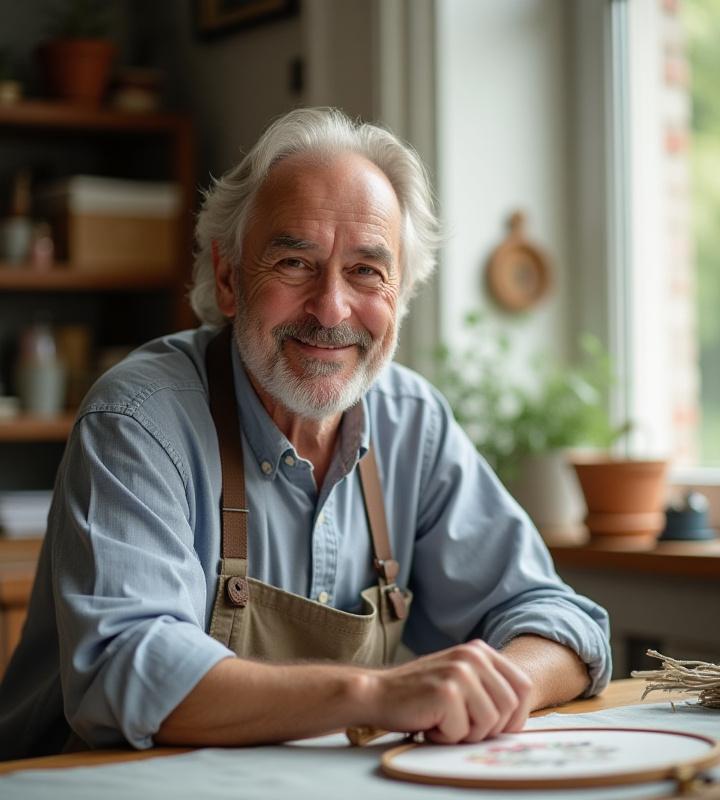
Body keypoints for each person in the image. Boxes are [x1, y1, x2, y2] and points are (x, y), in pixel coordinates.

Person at [0, 107, 610, 760]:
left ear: (400, 295)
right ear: (231, 279)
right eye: (295, 263)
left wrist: (493, 686)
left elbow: (562, 621)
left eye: (367, 271)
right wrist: (376, 695)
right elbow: (122, 672)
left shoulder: (413, 423)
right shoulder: (138, 420)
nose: (331, 309)